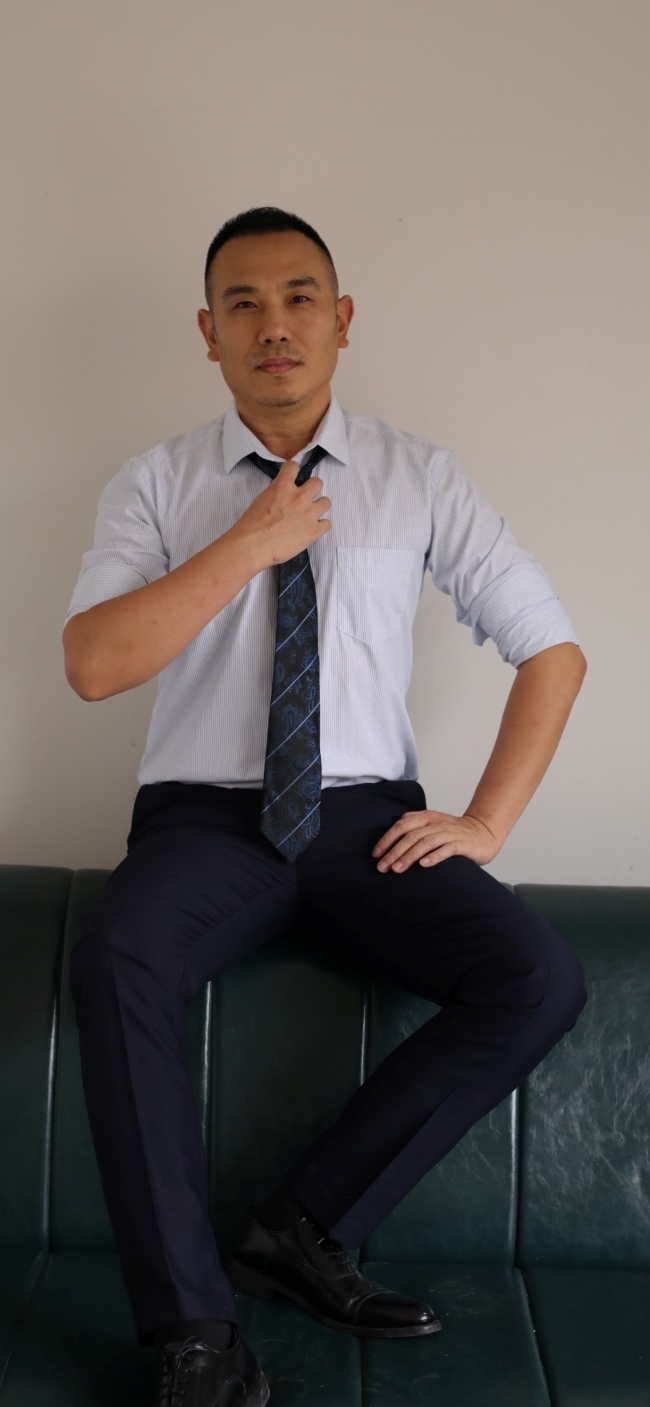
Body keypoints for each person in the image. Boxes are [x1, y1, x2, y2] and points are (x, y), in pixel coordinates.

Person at [62, 205, 588, 1407]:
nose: (273, 324)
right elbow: (92, 663)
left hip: (364, 823)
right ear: (207, 333)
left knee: (536, 977)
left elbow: (550, 651)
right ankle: (196, 1338)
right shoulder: (154, 483)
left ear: (340, 319)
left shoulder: (417, 476)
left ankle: (301, 1228)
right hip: (205, 824)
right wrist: (247, 544)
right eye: (241, 303)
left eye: (298, 297)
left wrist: (485, 823)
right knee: (115, 956)